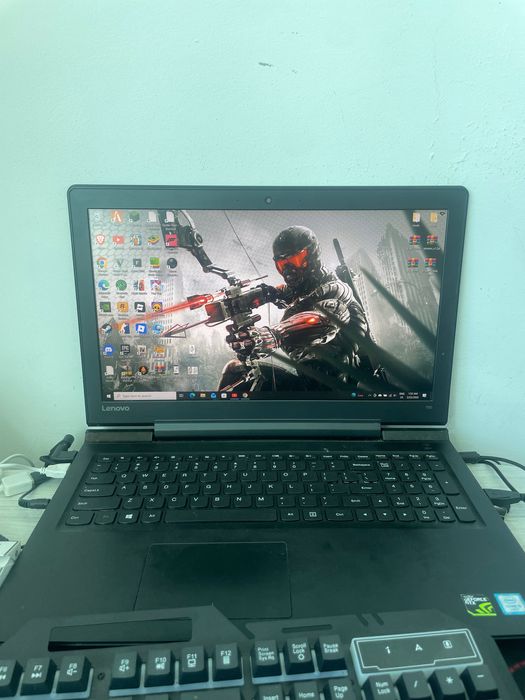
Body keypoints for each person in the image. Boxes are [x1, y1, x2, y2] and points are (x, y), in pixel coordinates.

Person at [218, 226, 370, 391]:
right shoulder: (299, 290)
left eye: (295, 260)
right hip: (306, 385)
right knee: (236, 371)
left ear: (312, 255)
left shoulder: (336, 290)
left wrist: (273, 335)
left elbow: (321, 319)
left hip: (339, 389)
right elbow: (275, 293)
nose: (288, 270)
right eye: (282, 264)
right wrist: (237, 302)